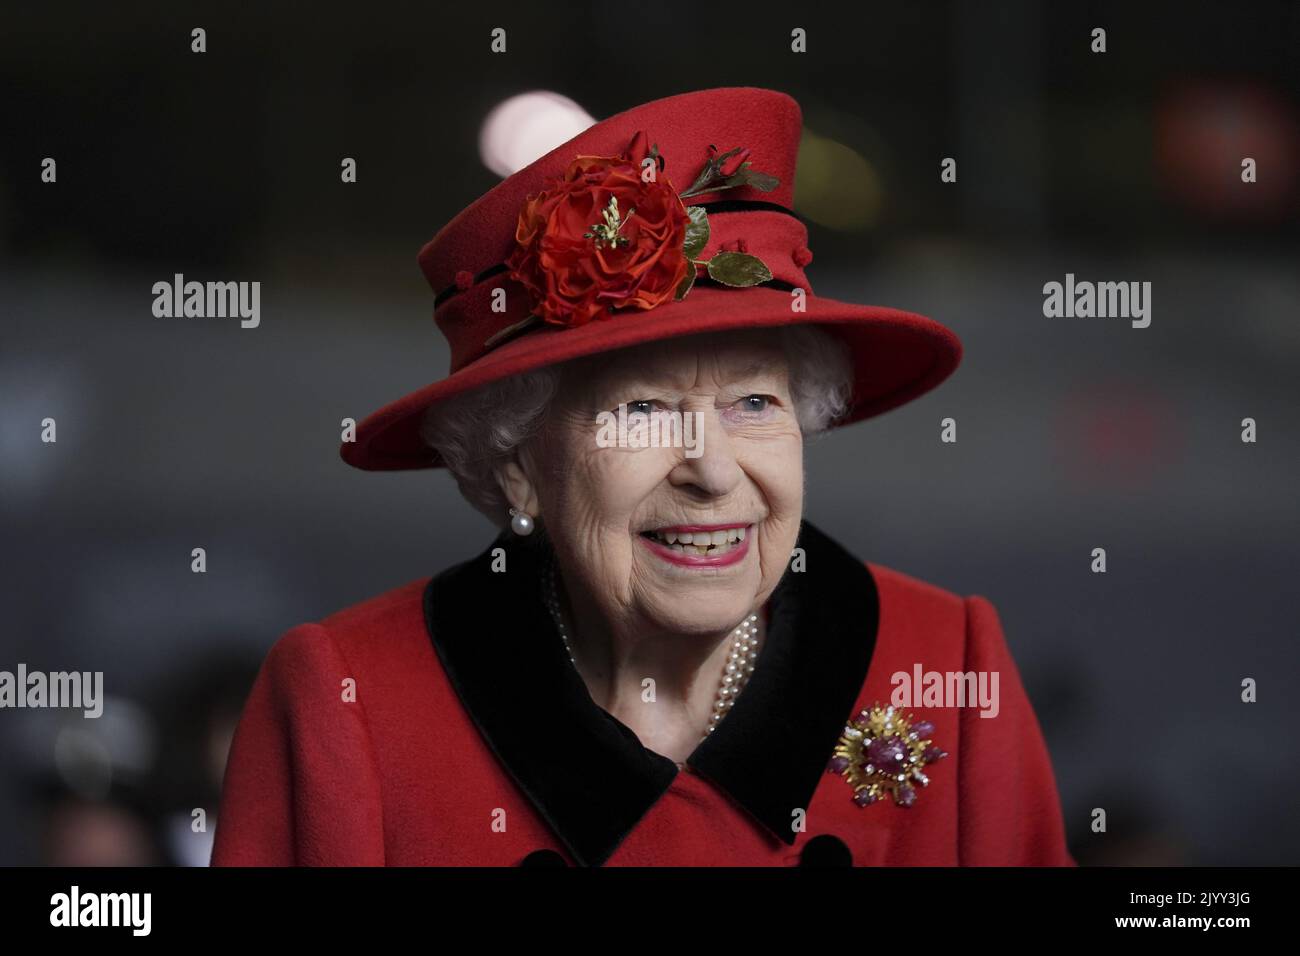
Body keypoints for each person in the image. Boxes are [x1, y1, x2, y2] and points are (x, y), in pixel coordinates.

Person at [210, 87, 1074, 867]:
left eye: (755, 403)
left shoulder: (948, 667)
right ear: (517, 468)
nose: (711, 469)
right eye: (642, 410)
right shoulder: (352, 706)